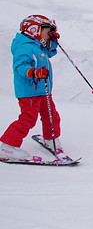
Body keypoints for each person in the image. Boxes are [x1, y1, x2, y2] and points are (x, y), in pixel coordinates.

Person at [0, 15, 64, 160]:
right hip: (29, 92)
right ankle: (7, 146)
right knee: (28, 119)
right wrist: (34, 72)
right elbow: (20, 67)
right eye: (47, 32)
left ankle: (50, 139)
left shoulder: (37, 45)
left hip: (43, 90)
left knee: (51, 116)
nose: (49, 35)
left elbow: (49, 52)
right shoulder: (25, 47)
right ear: (34, 30)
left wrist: (53, 41)